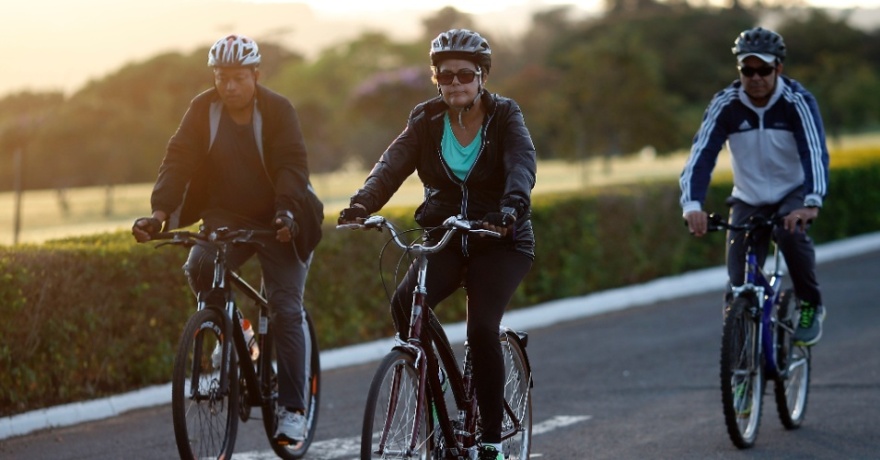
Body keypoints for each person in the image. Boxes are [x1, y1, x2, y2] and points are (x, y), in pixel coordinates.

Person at [337, 29, 536, 460]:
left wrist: (511, 208)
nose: (456, 84)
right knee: (405, 303)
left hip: (499, 238)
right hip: (445, 235)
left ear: (482, 76)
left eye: (466, 74)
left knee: (481, 328)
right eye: (446, 76)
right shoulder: (426, 119)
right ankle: (432, 380)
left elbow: (521, 163)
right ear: (436, 79)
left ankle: (489, 437)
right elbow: (391, 165)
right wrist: (362, 204)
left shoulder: (505, 115)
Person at [131, 34, 324, 443]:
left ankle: (292, 409)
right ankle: (237, 335)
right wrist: (159, 213)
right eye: (221, 78)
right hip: (226, 216)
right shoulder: (203, 108)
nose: (229, 86)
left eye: (238, 78)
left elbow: (293, 164)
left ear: (255, 75)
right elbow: (178, 157)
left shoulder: (278, 110)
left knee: (286, 308)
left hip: (281, 218)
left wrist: (286, 210)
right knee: (199, 266)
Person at [680, 27, 829, 346]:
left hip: (794, 192)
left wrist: (812, 200)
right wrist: (693, 205)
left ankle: (809, 305)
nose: (756, 77)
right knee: (737, 287)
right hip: (748, 197)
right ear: (740, 70)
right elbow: (702, 155)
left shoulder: (796, 101)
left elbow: (813, 151)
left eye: (764, 69)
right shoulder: (726, 104)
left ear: (778, 68)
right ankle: (740, 363)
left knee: (790, 234)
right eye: (748, 70)